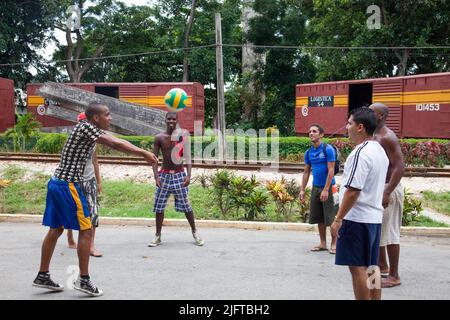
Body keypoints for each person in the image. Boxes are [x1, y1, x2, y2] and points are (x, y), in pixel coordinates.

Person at [32, 103, 158, 297]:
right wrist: (144, 153)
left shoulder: (86, 128)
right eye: (108, 115)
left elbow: (112, 141)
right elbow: (115, 143)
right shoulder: (86, 127)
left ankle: (42, 275)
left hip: (57, 183)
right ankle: (84, 280)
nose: (111, 118)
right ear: (96, 118)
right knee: (86, 230)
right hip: (69, 186)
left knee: (56, 229)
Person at [331, 107, 389, 300]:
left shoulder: (360, 153)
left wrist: (338, 219)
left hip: (357, 219)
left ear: (360, 127)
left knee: (357, 268)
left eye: (349, 123)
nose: (346, 127)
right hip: (374, 219)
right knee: (373, 267)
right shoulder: (379, 150)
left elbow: (353, 190)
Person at [148, 112, 204, 247]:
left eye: (174, 119)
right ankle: (157, 236)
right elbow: (153, 159)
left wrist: (188, 175)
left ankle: (195, 232)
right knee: (159, 207)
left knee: (186, 206)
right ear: (165, 120)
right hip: (164, 176)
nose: (171, 121)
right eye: (169, 119)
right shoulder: (159, 137)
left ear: (177, 120)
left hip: (179, 175)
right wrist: (156, 176)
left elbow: (188, 157)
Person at [369, 103, 405, 288]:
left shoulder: (388, 137)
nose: (368, 114)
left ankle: (394, 275)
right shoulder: (374, 135)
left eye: (371, 112)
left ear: (381, 115)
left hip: (389, 188)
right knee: (378, 228)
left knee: (390, 232)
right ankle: (382, 266)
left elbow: (399, 167)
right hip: (379, 188)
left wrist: (387, 191)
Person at [66, 113, 103, 257]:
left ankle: (91, 246)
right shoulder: (74, 140)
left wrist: (99, 181)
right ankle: (70, 238)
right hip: (74, 181)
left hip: (90, 180)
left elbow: (95, 161)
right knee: (71, 210)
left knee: (93, 212)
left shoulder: (94, 142)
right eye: (81, 123)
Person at [299, 124, 338, 254]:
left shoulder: (328, 149)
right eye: (309, 131)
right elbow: (306, 172)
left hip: (330, 187)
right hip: (316, 187)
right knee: (319, 218)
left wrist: (326, 189)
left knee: (331, 217)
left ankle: (334, 243)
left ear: (321, 134)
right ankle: (323, 243)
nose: (311, 133)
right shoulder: (308, 152)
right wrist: (302, 190)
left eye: (314, 131)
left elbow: (331, 170)